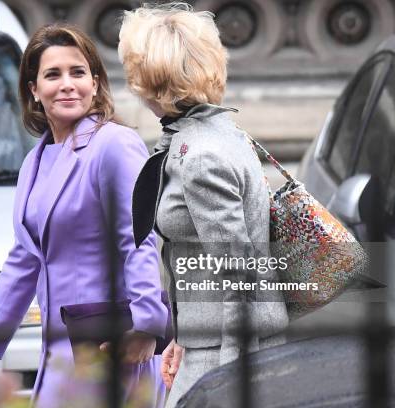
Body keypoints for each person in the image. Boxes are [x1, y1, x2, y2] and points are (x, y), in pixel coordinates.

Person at [0, 23, 168, 407]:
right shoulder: (33, 163)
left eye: (78, 72)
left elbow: (138, 239)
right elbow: (24, 259)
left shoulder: (113, 145)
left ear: (95, 82)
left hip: (111, 346)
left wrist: (146, 324)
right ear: (34, 90)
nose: (68, 84)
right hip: (57, 353)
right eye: (53, 75)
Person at [118, 3, 289, 407]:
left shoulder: (200, 156)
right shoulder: (215, 132)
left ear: (149, 78)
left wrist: (229, 380)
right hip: (208, 343)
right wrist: (183, 335)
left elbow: (238, 276)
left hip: (230, 353)